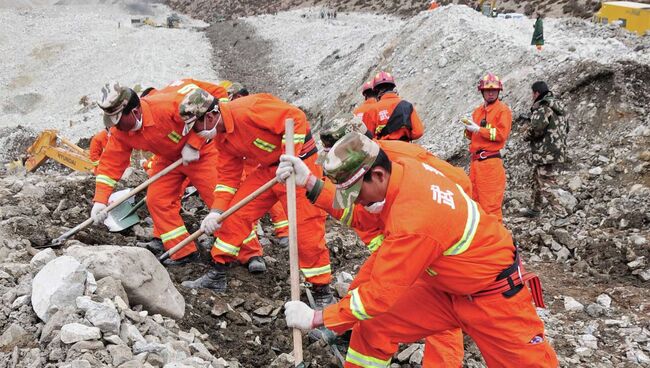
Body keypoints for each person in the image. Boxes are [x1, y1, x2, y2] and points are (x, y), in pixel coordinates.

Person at [277, 132, 558, 368]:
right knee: (375, 326)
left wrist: (317, 318)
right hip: (445, 290)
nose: (357, 202)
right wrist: (311, 184)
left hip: (494, 298)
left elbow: (378, 295)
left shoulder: (415, 217)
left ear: (377, 174)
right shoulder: (399, 172)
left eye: (356, 194)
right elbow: (365, 215)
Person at [318, 116, 471, 366]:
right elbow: (356, 214)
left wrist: (443, 228)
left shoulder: (401, 159)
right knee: (365, 288)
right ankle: (345, 327)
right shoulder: (372, 165)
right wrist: (311, 186)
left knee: (442, 312)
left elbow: (460, 186)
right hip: (403, 236)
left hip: (437, 242)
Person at [178, 89, 334, 307]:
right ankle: (217, 273)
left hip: (299, 165)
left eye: (194, 127)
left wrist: (290, 158)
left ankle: (322, 292)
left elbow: (295, 118)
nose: (194, 134)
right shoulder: (221, 138)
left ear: (210, 117)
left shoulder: (249, 109)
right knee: (235, 215)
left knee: (306, 229)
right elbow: (228, 178)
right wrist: (216, 211)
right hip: (269, 170)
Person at [90, 79, 242, 267]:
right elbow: (111, 163)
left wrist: (194, 143)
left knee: (219, 199)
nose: (115, 126)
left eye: (118, 119)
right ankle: (183, 252)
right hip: (168, 159)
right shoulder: (120, 132)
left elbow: (209, 107)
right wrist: (100, 200)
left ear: (135, 111)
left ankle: (248, 252)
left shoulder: (168, 106)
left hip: (202, 154)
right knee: (157, 200)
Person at [461, 73, 512, 223]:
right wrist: (469, 129)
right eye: (488, 90)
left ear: (498, 92)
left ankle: (498, 244)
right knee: (475, 204)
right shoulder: (478, 111)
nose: (491, 93)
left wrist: (479, 130)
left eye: (494, 90)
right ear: (482, 92)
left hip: (490, 163)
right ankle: (483, 241)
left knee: (491, 207)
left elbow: (501, 135)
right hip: (475, 163)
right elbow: (472, 137)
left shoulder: (502, 110)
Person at [520, 81, 568, 218]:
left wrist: (525, 135)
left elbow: (537, 129)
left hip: (545, 151)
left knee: (546, 184)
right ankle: (535, 208)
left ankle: (561, 212)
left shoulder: (542, 107)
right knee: (536, 178)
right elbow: (566, 128)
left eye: (532, 93)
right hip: (556, 149)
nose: (531, 96)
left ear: (536, 93)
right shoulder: (559, 107)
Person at [362, 72, 424, 142]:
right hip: (405, 147)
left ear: (377, 92)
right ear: (393, 88)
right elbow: (418, 132)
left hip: (384, 150)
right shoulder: (407, 106)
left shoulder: (372, 110)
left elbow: (367, 138)